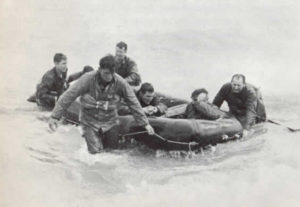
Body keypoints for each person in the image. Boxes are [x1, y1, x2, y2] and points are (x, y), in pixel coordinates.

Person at [48, 54, 155, 154]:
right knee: (96, 155)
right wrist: (55, 116)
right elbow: (68, 96)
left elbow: (133, 102)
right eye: (106, 73)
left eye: (112, 73)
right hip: (90, 121)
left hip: (110, 121)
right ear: (99, 70)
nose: (109, 77)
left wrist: (145, 123)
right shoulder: (88, 79)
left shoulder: (120, 82)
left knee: (112, 153)